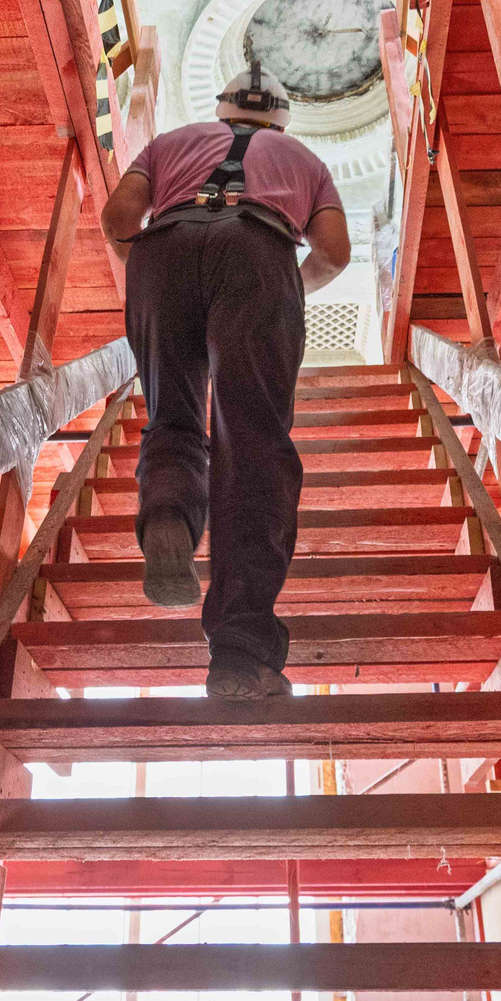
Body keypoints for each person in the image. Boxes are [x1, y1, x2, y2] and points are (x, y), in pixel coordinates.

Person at [101, 61, 352, 700]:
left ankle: (170, 520)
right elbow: (334, 251)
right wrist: (287, 286)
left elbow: (119, 218)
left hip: (165, 248)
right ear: (281, 118)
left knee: (173, 417)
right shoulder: (304, 161)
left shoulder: (170, 143)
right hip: (258, 250)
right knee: (252, 442)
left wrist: (157, 265)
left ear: (222, 109)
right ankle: (239, 654)